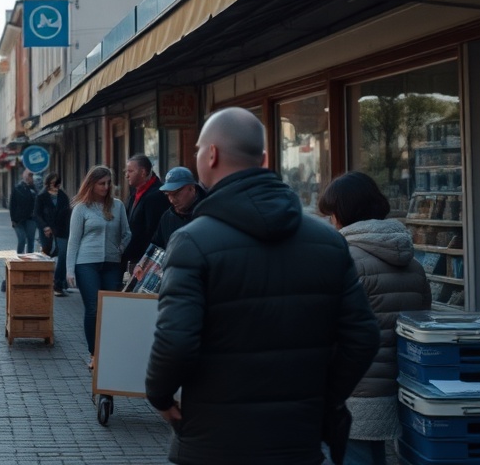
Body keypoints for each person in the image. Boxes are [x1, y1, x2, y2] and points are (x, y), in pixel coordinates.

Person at [145, 108, 379, 465]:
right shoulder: (327, 240)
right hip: (297, 440)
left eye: (197, 149)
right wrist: (323, 398)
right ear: (265, 159)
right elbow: (363, 337)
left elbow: (175, 340)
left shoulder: (192, 242)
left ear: (211, 155)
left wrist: (160, 397)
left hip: (215, 442)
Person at [319, 172, 432, 465]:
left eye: (332, 214)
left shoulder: (343, 260)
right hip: (399, 384)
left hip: (352, 389)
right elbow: (422, 323)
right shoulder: (413, 264)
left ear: (344, 213)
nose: (332, 221)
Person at [65, 165, 131, 370]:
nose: (106, 186)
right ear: (91, 184)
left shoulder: (117, 205)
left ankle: (109, 351)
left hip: (112, 264)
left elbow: (127, 233)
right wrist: (69, 269)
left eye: (108, 183)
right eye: (101, 183)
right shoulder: (81, 208)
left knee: (110, 308)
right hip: (86, 263)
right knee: (93, 308)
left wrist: (118, 249)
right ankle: (94, 354)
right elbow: (73, 241)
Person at [130, 166, 205, 285]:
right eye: (168, 195)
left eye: (176, 194)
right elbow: (157, 244)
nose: (172, 200)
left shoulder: (209, 212)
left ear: (192, 189)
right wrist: (143, 264)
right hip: (175, 279)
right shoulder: (168, 216)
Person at [121, 154, 171, 274]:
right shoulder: (135, 193)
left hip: (147, 262)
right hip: (134, 259)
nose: (126, 175)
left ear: (143, 172)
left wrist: (145, 261)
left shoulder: (156, 195)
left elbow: (153, 232)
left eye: (130, 171)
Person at [33, 172, 72, 295]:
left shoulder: (63, 196)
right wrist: (45, 227)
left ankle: (58, 283)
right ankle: (44, 282)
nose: (54, 185)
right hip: (47, 231)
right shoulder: (41, 196)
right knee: (46, 256)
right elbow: (37, 214)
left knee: (63, 254)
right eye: (52, 183)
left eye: (56, 183)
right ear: (48, 183)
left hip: (62, 230)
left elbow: (67, 213)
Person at [9, 168, 38, 254]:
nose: (30, 177)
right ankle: (19, 259)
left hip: (31, 219)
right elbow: (12, 205)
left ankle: (30, 261)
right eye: (28, 175)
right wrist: (13, 219)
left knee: (30, 240)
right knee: (22, 239)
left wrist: (33, 187)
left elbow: (38, 201)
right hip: (19, 220)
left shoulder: (35, 189)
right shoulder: (17, 188)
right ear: (23, 175)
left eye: (32, 175)